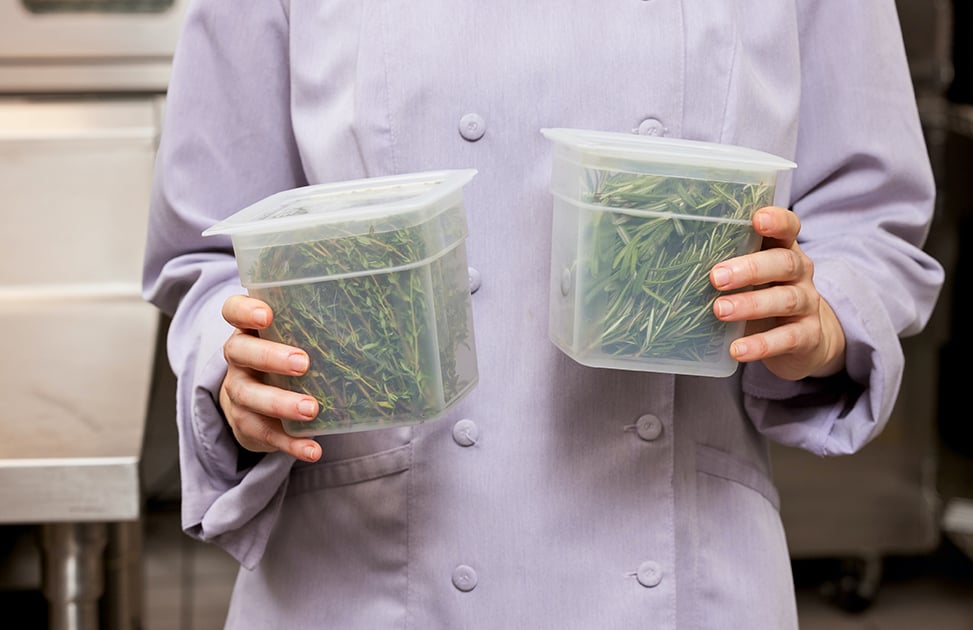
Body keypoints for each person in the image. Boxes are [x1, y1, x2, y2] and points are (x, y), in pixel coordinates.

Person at [142, 1, 944, 628]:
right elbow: (210, 253)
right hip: (369, 571)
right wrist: (238, 367)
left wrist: (819, 316)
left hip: (677, 571)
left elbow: (864, 222)